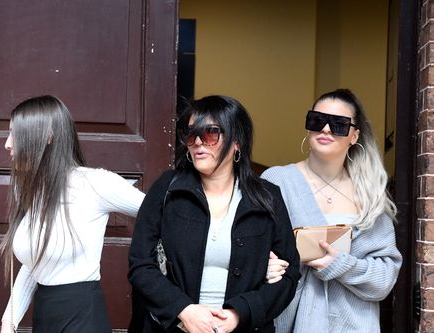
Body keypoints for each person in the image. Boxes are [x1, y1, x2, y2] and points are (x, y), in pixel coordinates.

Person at [128, 95, 301, 333]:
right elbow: (140, 264)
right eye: (191, 134)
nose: (198, 142)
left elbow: (289, 275)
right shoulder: (167, 189)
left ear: (237, 141)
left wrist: (238, 314)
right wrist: (184, 310)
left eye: (209, 134)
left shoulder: (267, 197)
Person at [0, 95, 145, 333]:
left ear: (47, 137)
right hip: (45, 317)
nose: (7, 143)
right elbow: (35, 264)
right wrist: (9, 322)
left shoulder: (94, 183)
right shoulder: (30, 188)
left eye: (16, 134)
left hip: (83, 318)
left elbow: (161, 213)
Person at [261, 89, 402, 332]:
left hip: (354, 324)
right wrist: (265, 264)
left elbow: (385, 278)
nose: (325, 129)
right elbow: (248, 250)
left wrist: (339, 265)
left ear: (354, 135)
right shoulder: (277, 181)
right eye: (317, 120)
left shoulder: (369, 193)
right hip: (289, 321)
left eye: (339, 124)